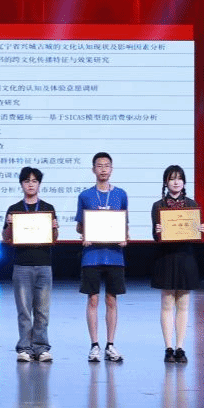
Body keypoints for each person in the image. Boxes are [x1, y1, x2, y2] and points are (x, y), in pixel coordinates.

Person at [75, 152, 127, 363]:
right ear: (93, 169)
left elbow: (124, 224)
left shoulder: (121, 194)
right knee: (93, 299)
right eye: (99, 165)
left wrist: (124, 237)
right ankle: (94, 345)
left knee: (112, 300)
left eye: (107, 165)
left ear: (111, 169)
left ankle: (110, 344)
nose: (103, 169)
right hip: (92, 256)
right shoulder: (85, 196)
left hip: (115, 256)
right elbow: (79, 226)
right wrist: (85, 234)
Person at [2, 166, 58, 362]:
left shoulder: (48, 208)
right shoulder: (14, 209)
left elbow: (54, 238)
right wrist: (10, 225)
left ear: (39, 184)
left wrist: (54, 228)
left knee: (42, 311)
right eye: (27, 181)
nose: (31, 184)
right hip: (22, 266)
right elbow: (6, 238)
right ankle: (24, 348)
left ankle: (41, 348)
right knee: (24, 311)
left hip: (44, 265)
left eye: (34, 181)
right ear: (21, 184)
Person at [150, 165, 204, 363]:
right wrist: (158, 231)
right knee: (166, 304)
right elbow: (155, 236)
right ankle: (168, 347)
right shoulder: (158, 205)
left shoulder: (192, 205)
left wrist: (199, 230)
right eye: (172, 178)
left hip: (185, 257)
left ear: (184, 182)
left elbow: (194, 235)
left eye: (179, 178)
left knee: (183, 304)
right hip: (165, 257)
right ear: (166, 182)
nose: (176, 182)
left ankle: (180, 347)